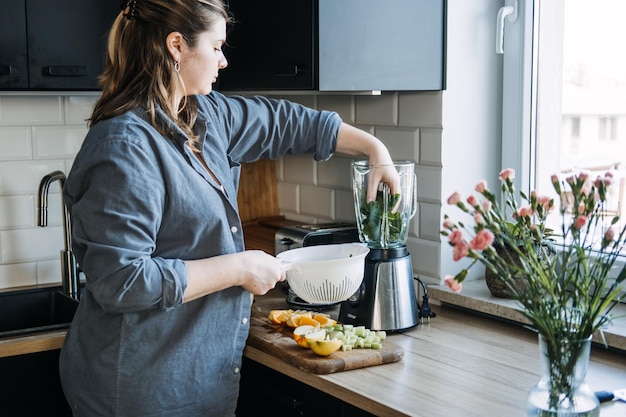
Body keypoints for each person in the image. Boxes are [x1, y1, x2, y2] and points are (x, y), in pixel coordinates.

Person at [59, 0, 399, 416]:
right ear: (177, 46)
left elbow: (287, 123)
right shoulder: (125, 146)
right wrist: (238, 268)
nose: (223, 61)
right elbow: (123, 281)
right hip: (139, 389)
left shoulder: (206, 115)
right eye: (217, 46)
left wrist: (374, 150)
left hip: (202, 380)